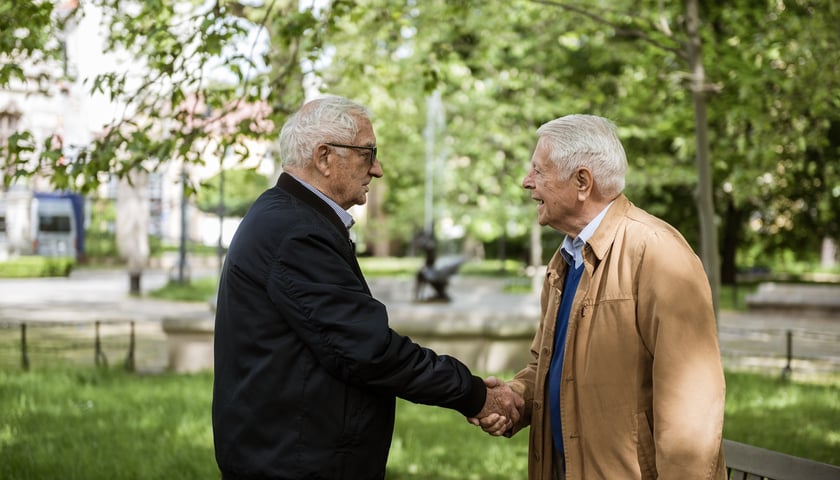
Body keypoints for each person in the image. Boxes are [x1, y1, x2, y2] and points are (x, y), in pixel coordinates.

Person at [211, 94, 522, 480]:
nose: (377, 169)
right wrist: (474, 395)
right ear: (324, 157)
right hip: (294, 464)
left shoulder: (290, 218)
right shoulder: (296, 232)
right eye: (367, 153)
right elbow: (368, 351)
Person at [471, 114, 726, 479]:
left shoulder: (657, 252)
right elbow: (551, 368)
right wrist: (515, 397)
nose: (527, 183)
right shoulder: (564, 260)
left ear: (582, 182)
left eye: (539, 172)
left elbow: (693, 403)